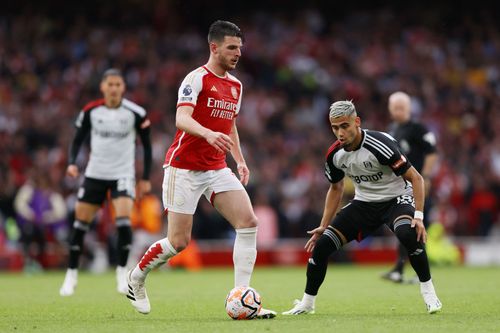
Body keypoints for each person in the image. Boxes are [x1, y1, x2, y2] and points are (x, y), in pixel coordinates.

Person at [125, 20, 276, 319]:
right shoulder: (196, 79)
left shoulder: (236, 85)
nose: (238, 54)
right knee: (179, 242)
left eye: (240, 48)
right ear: (214, 47)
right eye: (232, 48)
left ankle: (241, 299)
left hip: (216, 167)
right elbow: (181, 118)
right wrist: (207, 133)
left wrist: (240, 160)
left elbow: (229, 125)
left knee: (248, 222)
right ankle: (137, 277)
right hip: (183, 167)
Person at [283, 100, 442, 315]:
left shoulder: (380, 145)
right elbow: (336, 188)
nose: (340, 132)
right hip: (364, 203)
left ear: (356, 122)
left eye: (345, 126)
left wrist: (419, 216)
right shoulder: (334, 154)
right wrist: (324, 225)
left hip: (396, 199)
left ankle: (429, 293)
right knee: (322, 246)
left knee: (408, 233)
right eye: (335, 127)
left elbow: (416, 178)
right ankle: (307, 303)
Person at [59, 69, 152, 296]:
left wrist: (146, 178)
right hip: (95, 174)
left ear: (123, 87)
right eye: (109, 84)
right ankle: (71, 275)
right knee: (80, 224)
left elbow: (147, 147)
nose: (113, 88)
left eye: (117, 84)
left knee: (123, 221)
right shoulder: (91, 111)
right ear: (103, 87)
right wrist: (72, 163)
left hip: (122, 174)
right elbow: (77, 139)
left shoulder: (136, 113)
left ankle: (121, 273)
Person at [382, 91, 438, 283]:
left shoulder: (418, 129)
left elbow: (431, 153)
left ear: (409, 109)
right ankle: (399, 269)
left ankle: (419, 271)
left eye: (401, 108)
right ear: (390, 109)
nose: (398, 111)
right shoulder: (392, 130)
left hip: (417, 184)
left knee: (418, 225)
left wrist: (426, 177)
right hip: (399, 186)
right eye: (395, 108)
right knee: (404, 227)